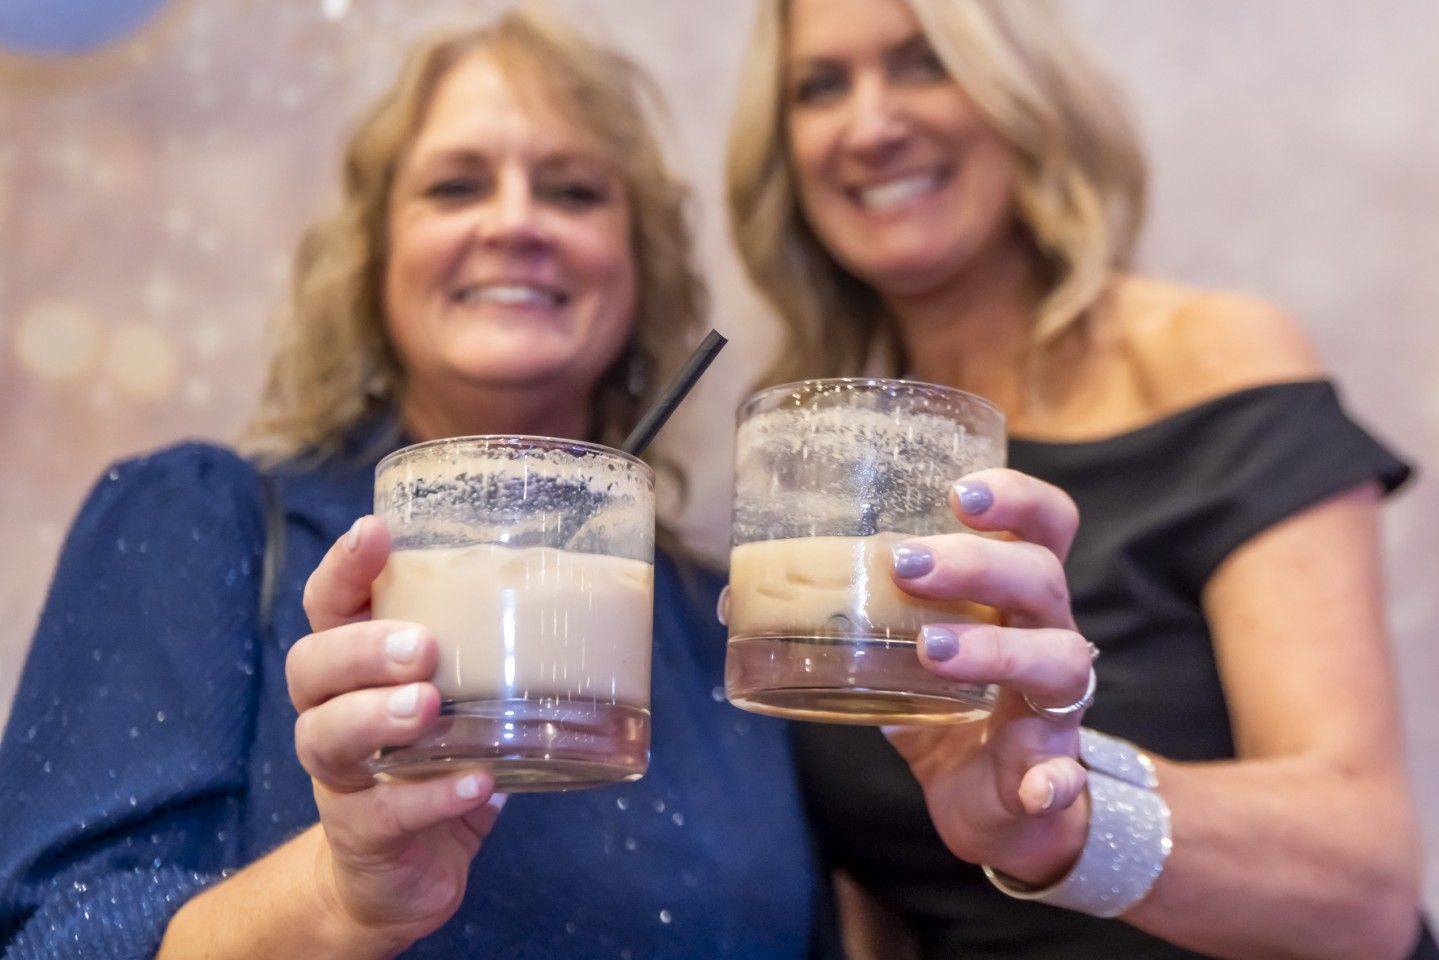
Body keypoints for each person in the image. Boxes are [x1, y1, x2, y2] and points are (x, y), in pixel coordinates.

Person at [0, 10, 824, 958]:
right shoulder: (200, 522)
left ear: (638, 266)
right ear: (374, 261)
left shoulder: (705, 616)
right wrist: (335, 893)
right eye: (455, 185)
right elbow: (57, 938)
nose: (515, 222)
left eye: (571, 191)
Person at [726, 0, 1436, 957]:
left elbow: (1364, 886)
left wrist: (1066, 811)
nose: (868, 124)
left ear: (1019, 90)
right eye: (819, 86)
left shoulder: (1204, 358)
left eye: (923, 62)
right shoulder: (811, 458)